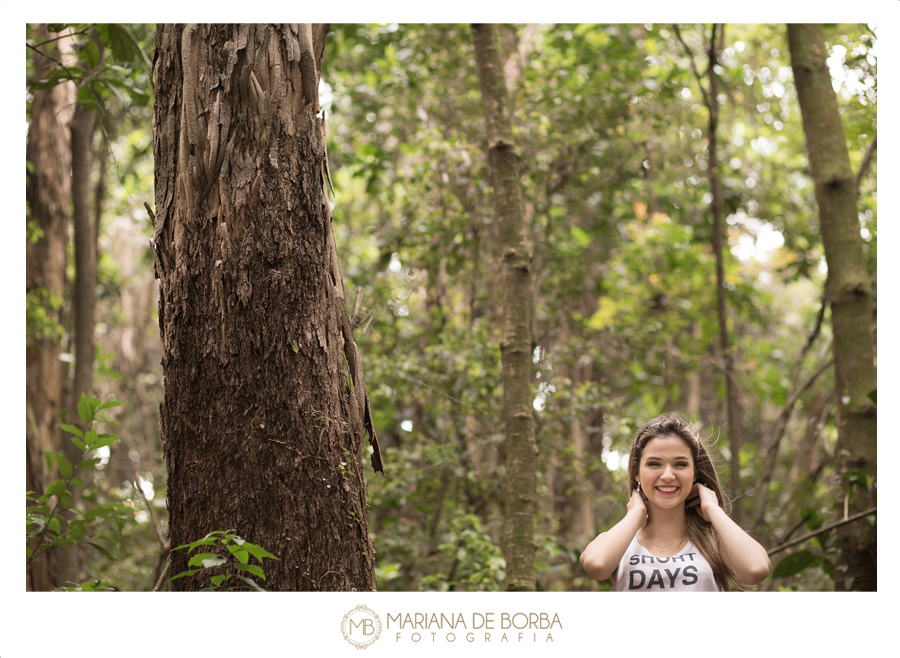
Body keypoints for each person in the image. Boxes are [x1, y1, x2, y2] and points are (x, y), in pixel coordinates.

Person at [580, 414, 770, 591]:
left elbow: (756, 569)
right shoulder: (622, 539)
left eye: (680, 464)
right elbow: (596, 565)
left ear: (694, 472)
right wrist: (635, 515)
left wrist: (713, 509)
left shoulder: (714, 540)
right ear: (637, 472)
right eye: (654, 464)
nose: (668, 475)